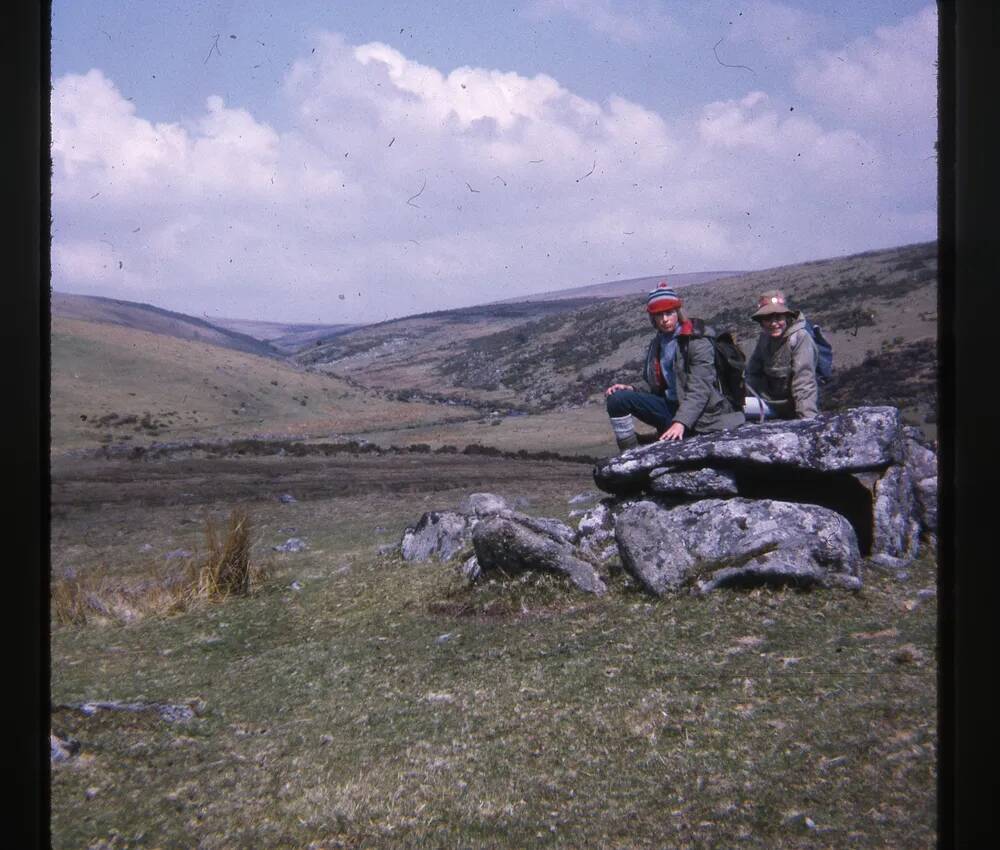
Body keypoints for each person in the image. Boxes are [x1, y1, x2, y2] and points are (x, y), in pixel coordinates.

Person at [605, 281, 745, 451]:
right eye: (659, 315)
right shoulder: (658, 342)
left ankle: (676, 433)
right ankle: (629, 454)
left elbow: (700, 389)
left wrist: (681, 422)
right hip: (670, 408)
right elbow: (658, 383)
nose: (664, 320)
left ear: (678, 312)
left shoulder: (697, 341)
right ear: (653, 318)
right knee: (617, 399)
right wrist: (631, 388)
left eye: (669, 313)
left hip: (702, 417)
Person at [743, 289, 819, 421]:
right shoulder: (764, 338)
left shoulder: (800, 338)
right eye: (767, 318)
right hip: (767, 402)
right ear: (761, 321)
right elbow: (752, 372)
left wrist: (807, 420)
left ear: (787, 317)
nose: (773, 323)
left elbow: (804, 382)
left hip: (790, 407)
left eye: (778, 317)